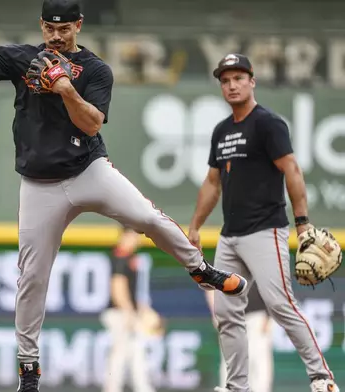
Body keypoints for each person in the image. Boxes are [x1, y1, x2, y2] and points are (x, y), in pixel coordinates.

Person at [0, 2, 248, 391]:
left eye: (64, 28)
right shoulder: (23, 58)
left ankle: (200, 269)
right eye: (50, 27)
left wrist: (64, 87)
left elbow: (92, 122)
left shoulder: (96, 70)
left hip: (87, 170)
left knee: (146, 217)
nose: (57, 35)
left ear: (78, 25)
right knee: (31, 277)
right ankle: (29, 370)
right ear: (42, 26)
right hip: (39, 184)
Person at [187, 53, 339, 392]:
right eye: (225, 80)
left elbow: (292, 170)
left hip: (265, 230)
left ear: (252, 81)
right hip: (230, 237)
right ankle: (237, 386)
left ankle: (321, 376)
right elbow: (213, 182)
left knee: (280, 303)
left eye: (238, 78)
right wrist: (195, 226)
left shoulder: (268, 123)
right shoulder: (222, 131)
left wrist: (302, 224)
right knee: (226, 313)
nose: (231, 85)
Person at [100, 228, 161, 392]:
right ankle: (112, 388)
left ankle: (142, 387)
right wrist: (128, 312)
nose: (137, 241)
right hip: (120, 313)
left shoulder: (128, 257)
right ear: (125, 236)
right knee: (120, 354)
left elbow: (133, 292)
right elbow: (117, 288)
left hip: (127, 312)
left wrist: (142, 310)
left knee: (136, 352)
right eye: (134, 237)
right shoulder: (120, 257)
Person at [205, 285, 273, 392]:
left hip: (258, 314)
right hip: (230, 315)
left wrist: (270, 314)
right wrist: (215, 313)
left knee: (258, 359)